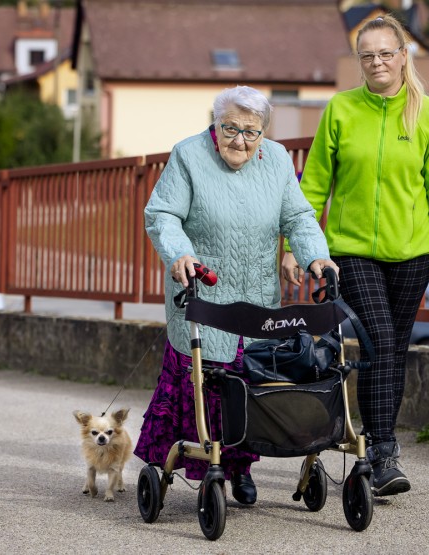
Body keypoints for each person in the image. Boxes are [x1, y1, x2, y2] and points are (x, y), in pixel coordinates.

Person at [282, 14, 429, 497]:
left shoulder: (427, 113)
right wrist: (294, 246)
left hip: (412, 254)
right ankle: (382, 453)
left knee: (393, 351)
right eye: (368, 55)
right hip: (351, 251)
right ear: (359, 62)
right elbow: (314, 183)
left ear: (403, 57)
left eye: (386, 53)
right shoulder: (341, 110)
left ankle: (382, 453)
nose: (377, 62)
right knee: (379, 339)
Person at [136, 85, 338, 505]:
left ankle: (240, 469)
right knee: (205, 382)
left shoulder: (278, 158)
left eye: (251, 131)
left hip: (258, 298)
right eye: (230, 128)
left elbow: (298, 216)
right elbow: (162, 214)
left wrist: (316, 257)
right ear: (216, 123)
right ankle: (197, 468)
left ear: (263, 132)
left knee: (249, 387)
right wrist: (179, 254)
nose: (240, 140)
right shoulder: (188, 155)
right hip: (203, 293)